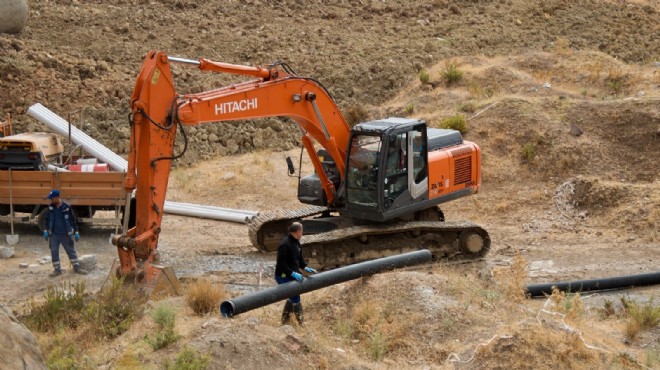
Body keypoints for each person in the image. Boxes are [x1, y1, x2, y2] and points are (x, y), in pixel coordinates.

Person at [274, 222, 317, 325]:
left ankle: (285, 321)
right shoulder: (285, 245)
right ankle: (301, 323)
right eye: (302, 231)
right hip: (282, 275)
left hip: (292, 273)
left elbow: (299, 259)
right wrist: (292, 273)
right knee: (295, 296)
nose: (302, 233)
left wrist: (305, 267)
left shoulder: (297, 242)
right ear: (298, 232)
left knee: (293, 296)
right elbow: (281, 265)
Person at [42, 189, 87, 277]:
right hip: (54, 235)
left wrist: (76, 231)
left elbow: (72, 220)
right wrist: (45, 230)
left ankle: (77, 268)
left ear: (57, 197)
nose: (51, 200)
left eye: (52, 198)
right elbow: (46, 219)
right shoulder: (50, 207)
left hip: (65, 234)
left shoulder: (67, 207)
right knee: (54, 251)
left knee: (71, 251)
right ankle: (57, 270)